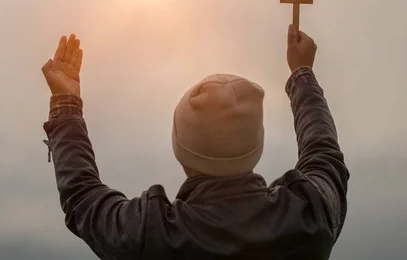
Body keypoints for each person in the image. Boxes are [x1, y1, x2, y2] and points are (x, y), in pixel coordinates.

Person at [41, 25, 349, 260]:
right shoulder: (310, 217)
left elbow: (81, 198)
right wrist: (302, 73)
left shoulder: (152, 234)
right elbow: (323, 153)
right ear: (256, 145)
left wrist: (66, 103)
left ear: (181, 150)